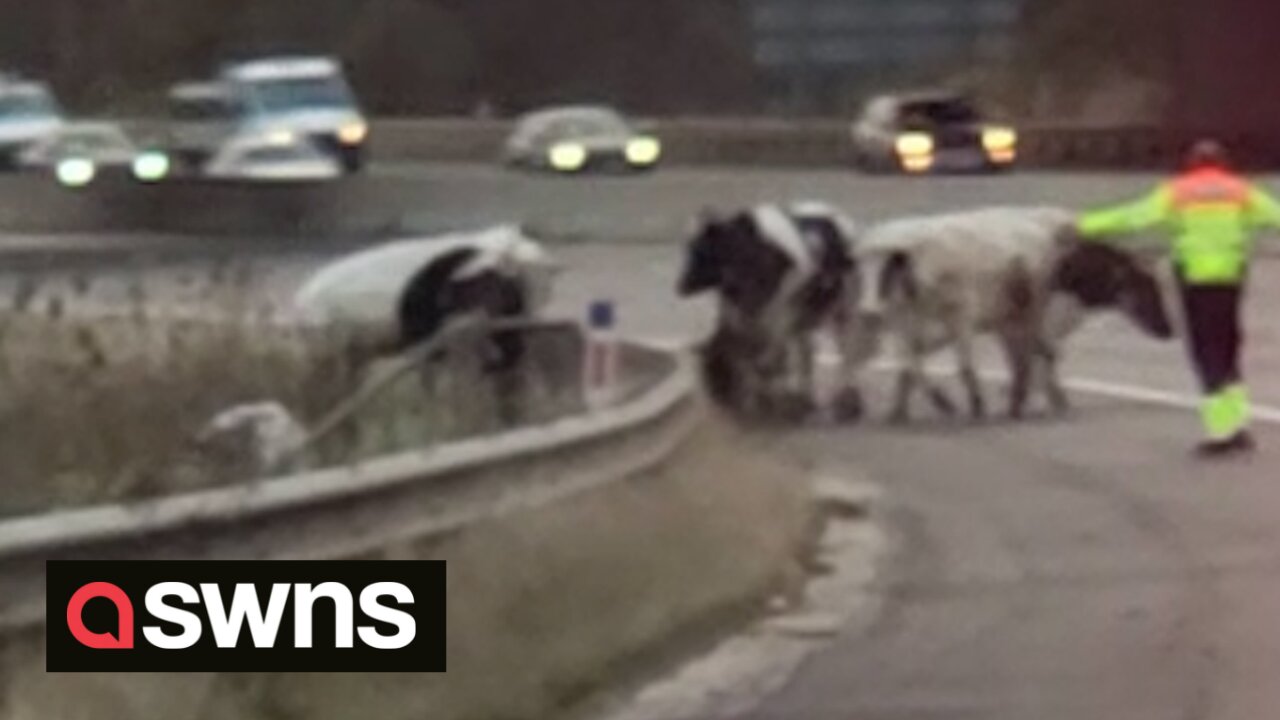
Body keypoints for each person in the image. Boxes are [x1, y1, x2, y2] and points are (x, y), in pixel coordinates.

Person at [1077, 139, 1280, 456]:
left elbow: (1134, 217)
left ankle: (1220, 433)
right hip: (1230, 280)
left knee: (1205, 354)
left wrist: (1084, 224)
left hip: (1196, 281)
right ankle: (1238, 426)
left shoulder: (1180, 191)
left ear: (1191, 163)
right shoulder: (1239, 191)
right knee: (1228, 350)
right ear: (1223, 164)